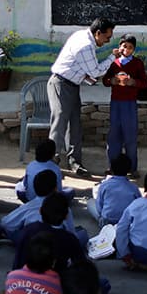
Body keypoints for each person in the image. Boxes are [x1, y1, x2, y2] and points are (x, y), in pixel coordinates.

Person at [48, 17, 119, 177]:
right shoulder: (85, 46)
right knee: (59, 123)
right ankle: (51, 162)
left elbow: (82, 67)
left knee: (75, 124)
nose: (108, 41)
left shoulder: (82, 35)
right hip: (61, 84)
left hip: (72, 84)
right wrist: (111, 58)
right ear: (98, 33)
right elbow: (95, 71)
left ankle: (75, 161)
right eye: (107, 37)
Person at [101, 34, 147, 176]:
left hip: (129, 103)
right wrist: (112, 81)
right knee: (114, 135)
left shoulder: (137, 64)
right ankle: (113, 166)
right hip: (116, 103)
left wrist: (133, 82)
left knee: (130, 136)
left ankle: (132, 168)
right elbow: (104, 80)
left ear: (133, 50)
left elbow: (144, 83)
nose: (126, 50)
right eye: (124, 46)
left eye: (130, 47)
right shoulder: (114, 63)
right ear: (119, 46)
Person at [12, 193, 87, 271]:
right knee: (83, 234)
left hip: (23, 278)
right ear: (66, 216)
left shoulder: (28, 229)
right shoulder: (70, 238)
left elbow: (17, 262)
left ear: (40, 211)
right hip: (58, 279)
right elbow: (81, 267)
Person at [88, 154, 141, 227]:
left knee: (90, 202)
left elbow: (99, 207)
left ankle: (102, 222)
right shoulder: (133, 187)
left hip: (107, 221)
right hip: (127, 222)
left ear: (111, 169)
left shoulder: (105, 185)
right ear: (128, 170)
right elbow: (139, 205)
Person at [15, 139, 72, 203]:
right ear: (53, 155)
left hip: (30, 200)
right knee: (70, 191)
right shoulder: (56, 168)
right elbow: (59, 190)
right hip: (51, 202)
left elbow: (25, 185)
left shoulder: (30, 165)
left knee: (18, 186)